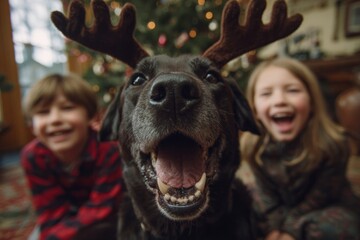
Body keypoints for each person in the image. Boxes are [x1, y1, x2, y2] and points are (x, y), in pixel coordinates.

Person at [238, 57, 360, 240]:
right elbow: (266, 195)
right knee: (243, 205)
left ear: (311, 103)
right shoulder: (253, 146)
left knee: (344, 227)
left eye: (293, 90)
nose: (279, 100)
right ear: (255, 109)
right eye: (266, 93)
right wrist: (273, 228)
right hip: (280, 205)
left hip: (323, 206)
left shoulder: (333, 144)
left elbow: (319, 198)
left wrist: (289, 231)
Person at [21, 73, 122, 240]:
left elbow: (102, 209)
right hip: (67, 220)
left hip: (110, 218)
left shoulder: (109, 150)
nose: (55, 119)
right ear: (32, 126)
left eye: (67, 108)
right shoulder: (33, 156)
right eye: (43, 112)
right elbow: (50, 212)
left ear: (90, 116)